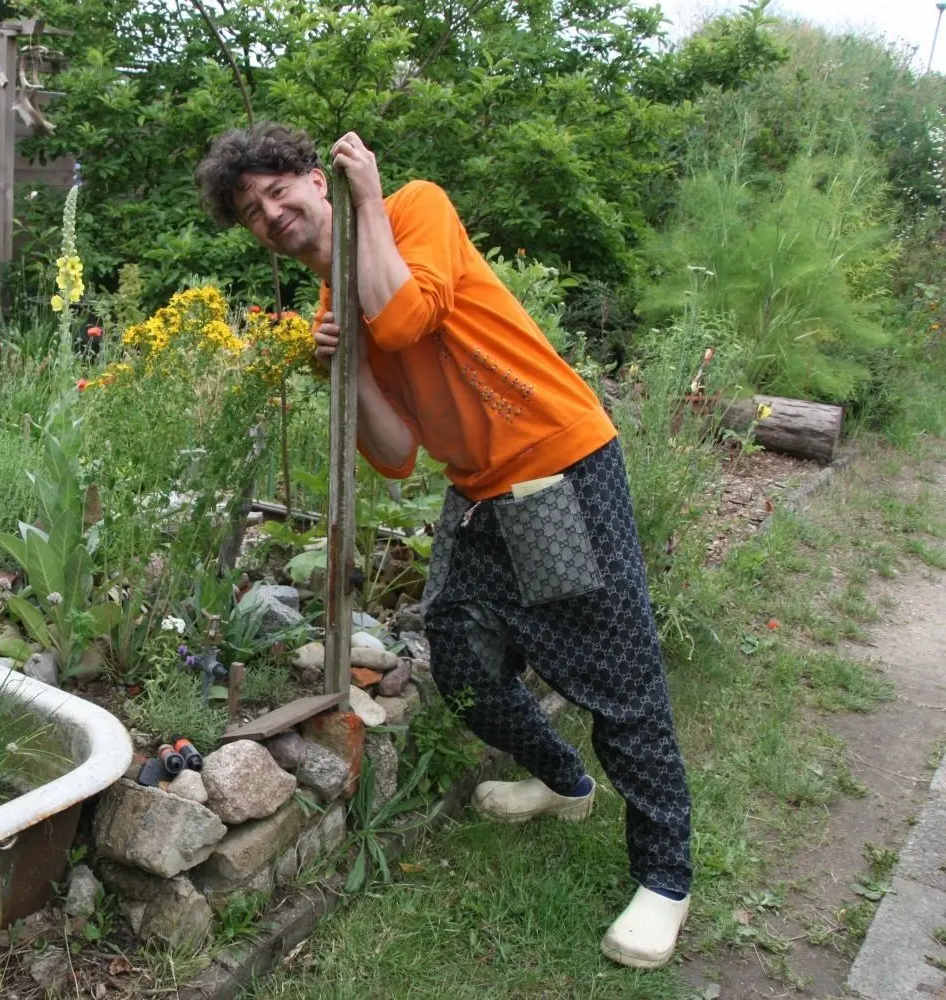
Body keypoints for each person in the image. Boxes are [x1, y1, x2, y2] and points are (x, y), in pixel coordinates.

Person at [194, 122, 693, 970]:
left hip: (554, 466)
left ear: (316, 179)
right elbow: (394, 453)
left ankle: (665, 879)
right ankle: (562, 780)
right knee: (458, 656)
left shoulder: (412, 209)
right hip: (479, 491)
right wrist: (344, 370)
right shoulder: (331, 312)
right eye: (251, 212)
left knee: (617, 674)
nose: (271, 214)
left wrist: (368, 198)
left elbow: (405, 316)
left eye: (278, 191)